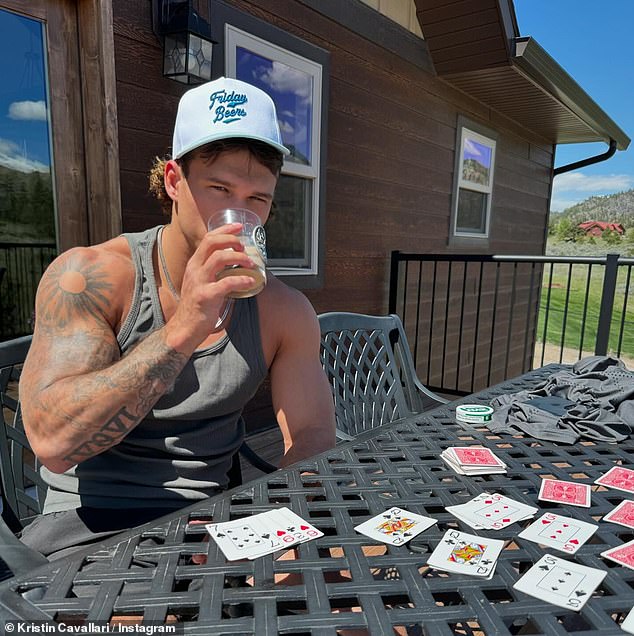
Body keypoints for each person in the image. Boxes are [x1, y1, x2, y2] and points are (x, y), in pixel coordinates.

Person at [19, 76, 336, 559]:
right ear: (173, 180)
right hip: (93, 527)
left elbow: (311, 432)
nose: (238, 212)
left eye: (258, 199)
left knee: (341, 598)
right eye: (219, 188)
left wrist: (280, 519)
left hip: (214, 521)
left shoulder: (284, 309)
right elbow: (53, 443)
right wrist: (187, 323)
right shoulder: (90, 276)